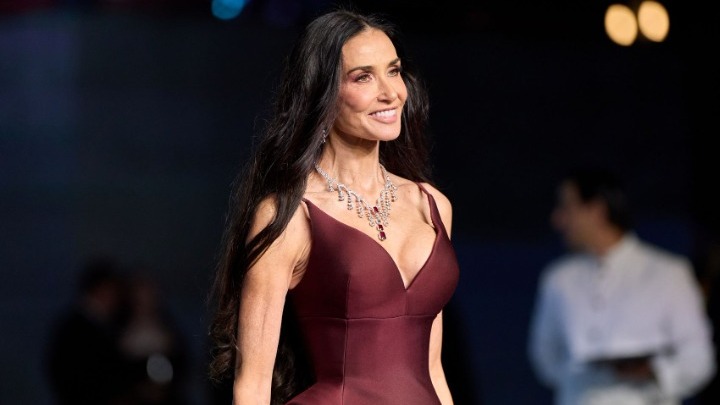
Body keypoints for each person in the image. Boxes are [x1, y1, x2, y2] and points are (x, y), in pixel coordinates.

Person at [207, 7, 459, 405]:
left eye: (393, 71)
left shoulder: (431, 205)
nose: (391, 93)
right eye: (363, 77)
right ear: (322, 94)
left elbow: (432, 369)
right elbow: (252, 385)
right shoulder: (288, 214)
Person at [528, 168, 716, 405]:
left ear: (596, 210)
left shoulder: (667, 272)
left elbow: (698, 358)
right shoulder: (559, 279)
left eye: (567, 207)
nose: (557, 219)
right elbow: (545, 355)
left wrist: (652, 371)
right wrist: (583, 379)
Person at [46, 256, 133, 405]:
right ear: (100, 289)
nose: (118, 297)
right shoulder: (75, 329)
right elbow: (66, 373)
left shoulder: (110, 324)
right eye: (114, 290)